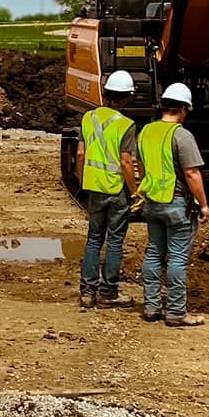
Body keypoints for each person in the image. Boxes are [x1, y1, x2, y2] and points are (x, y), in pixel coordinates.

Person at [137, 81, 209, 327]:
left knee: (154, 252)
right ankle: (177, 312)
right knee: (177, 258)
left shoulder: (146, 131)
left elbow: (142, 166)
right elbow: (192, 174)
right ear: (183, 109)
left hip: (153, 202)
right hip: (177, 203)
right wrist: (204, 204)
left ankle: (151, 307)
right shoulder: (181, 135)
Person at [76, 69, 139, 309]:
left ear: (106, 93)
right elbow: (125, 162)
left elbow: (81, 154)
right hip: (116, 190)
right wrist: (135, 192)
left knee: (93, 239)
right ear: (126, 98)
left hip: (94, 188)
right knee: (114, 241)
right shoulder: (127, 125)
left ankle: (87, 292)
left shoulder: (87, 118)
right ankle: (108, 292)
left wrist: (83, 183)